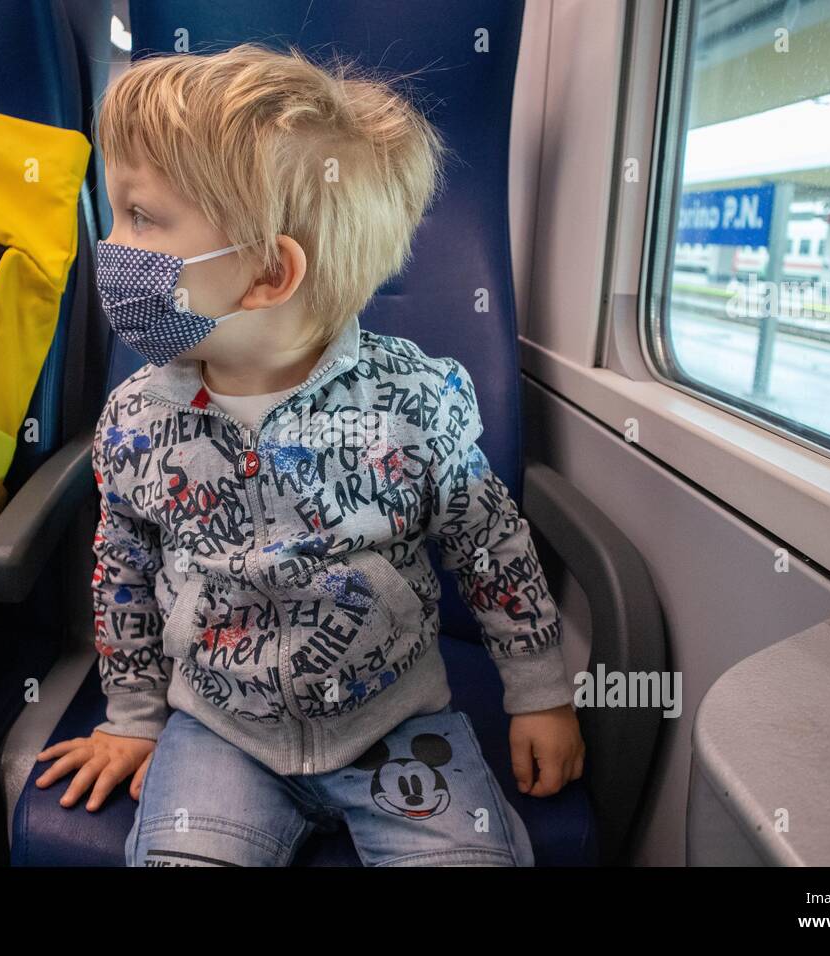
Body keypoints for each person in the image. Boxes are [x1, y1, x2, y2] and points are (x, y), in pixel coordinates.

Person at [35, 42, 585, 867]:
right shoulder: (138, 417)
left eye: (142, 217)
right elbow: (123, 575)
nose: (110, 246)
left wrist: (540, 693)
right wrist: (133, 720)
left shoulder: (414, 405)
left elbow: (491, 548)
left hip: (395, 721)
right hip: (220, 727)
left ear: (267, 273)